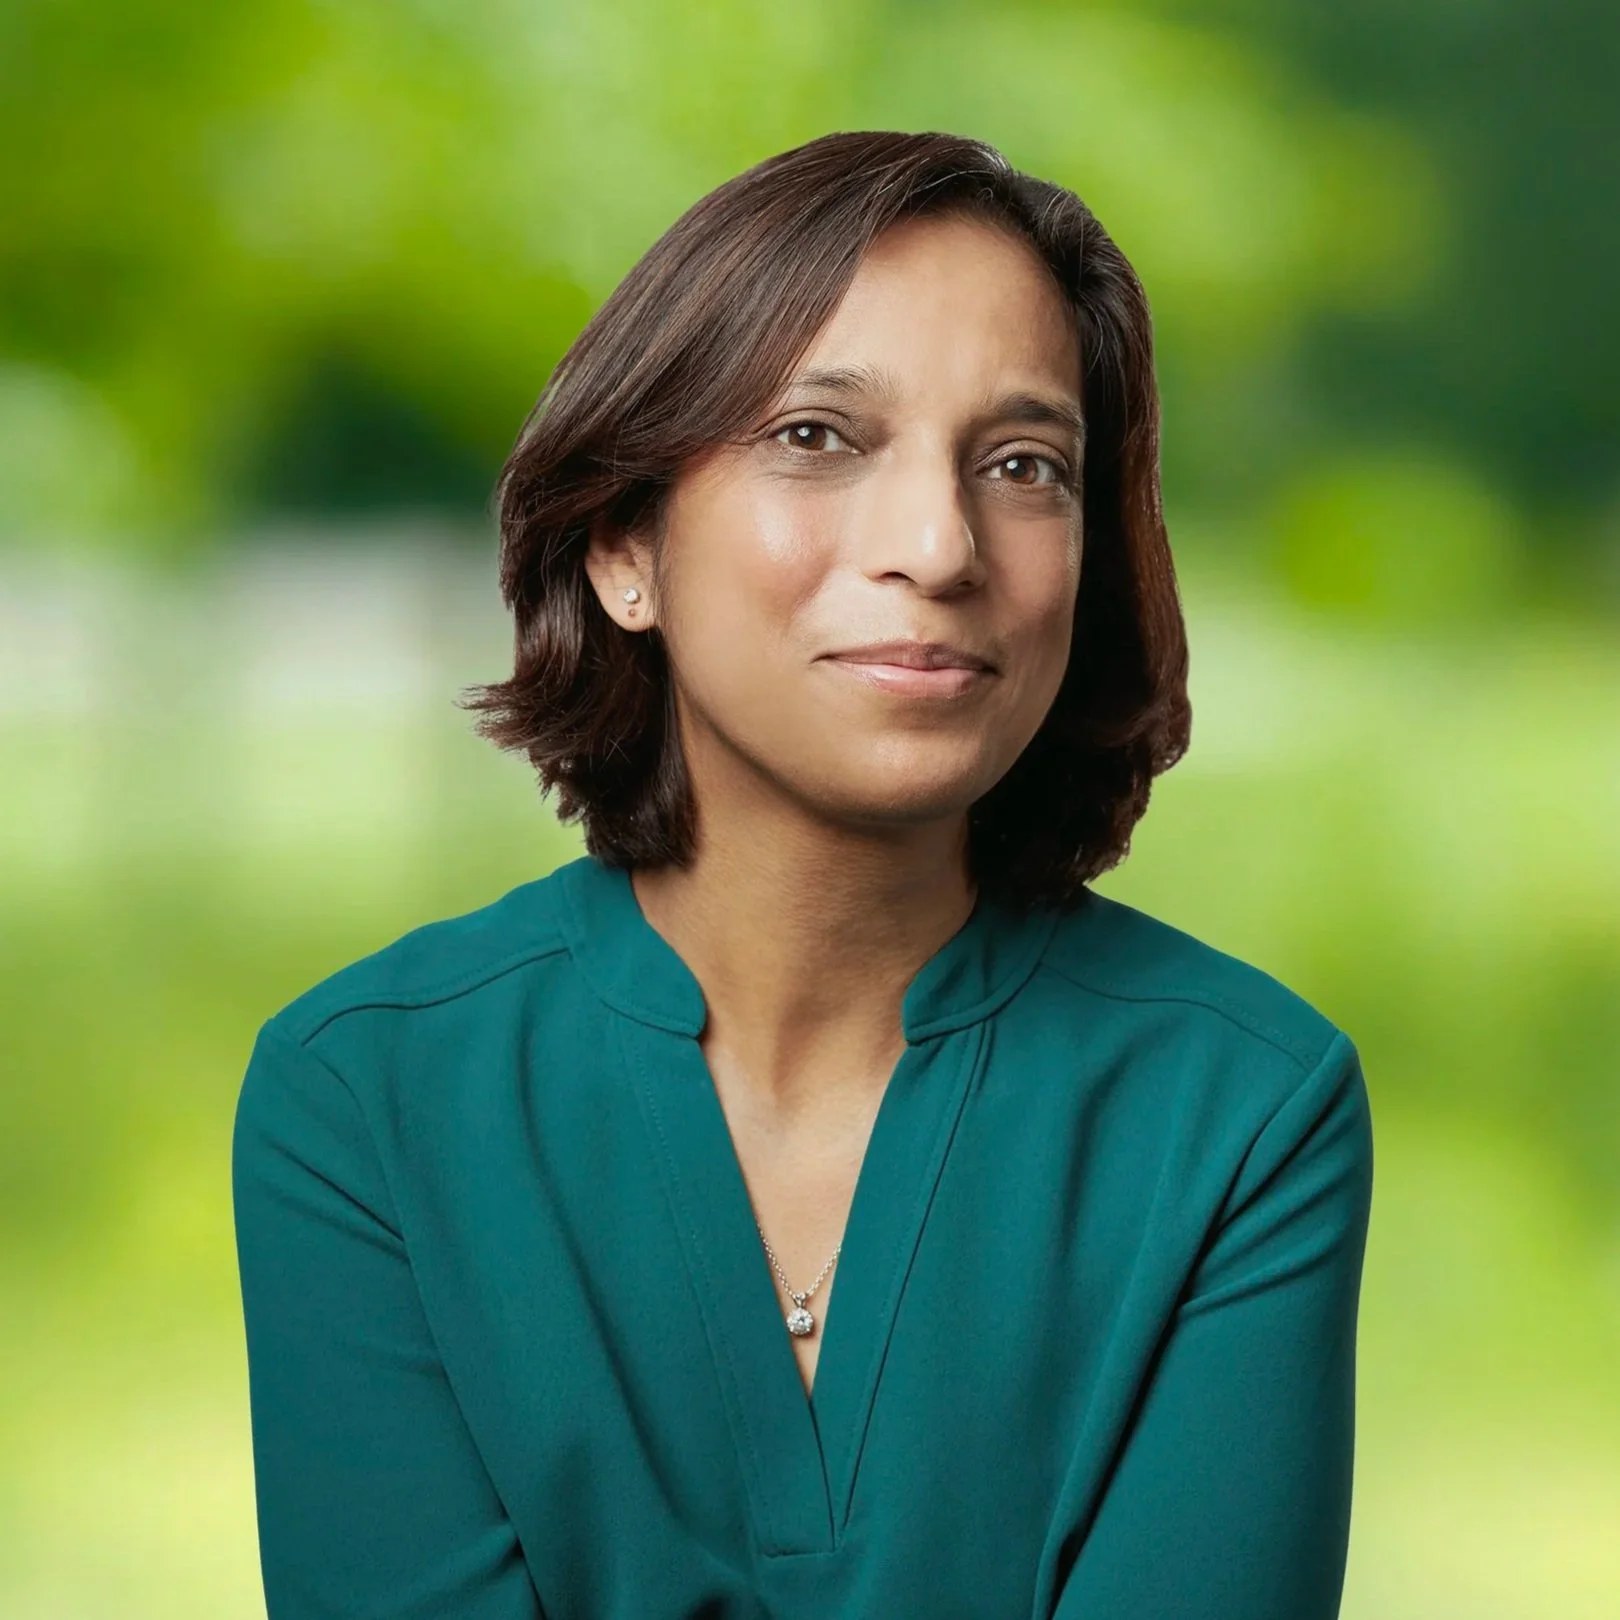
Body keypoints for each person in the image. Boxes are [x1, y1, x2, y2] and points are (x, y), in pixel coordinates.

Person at [232, 129, 1374, 1619]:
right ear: (623, 545)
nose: (939, 543)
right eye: (818, 437)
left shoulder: (1244, 1113)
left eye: (1025, 466)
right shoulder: (366, 1101)